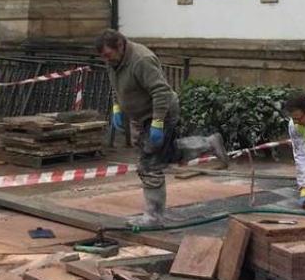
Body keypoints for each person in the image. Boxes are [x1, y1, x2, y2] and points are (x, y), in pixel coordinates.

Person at [97, 29, 230, 227]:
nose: (106, 60)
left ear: (120, 46)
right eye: (103, 57)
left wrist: (157, 123)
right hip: (142, 115)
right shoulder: (113, 62)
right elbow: (116, 85)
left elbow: (160, 92)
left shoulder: (142, 60)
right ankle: (208, 143)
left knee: (149, 165)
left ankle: (154, 217)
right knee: (166, 154)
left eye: (108, 55)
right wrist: (117, 107)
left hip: (161, 112)